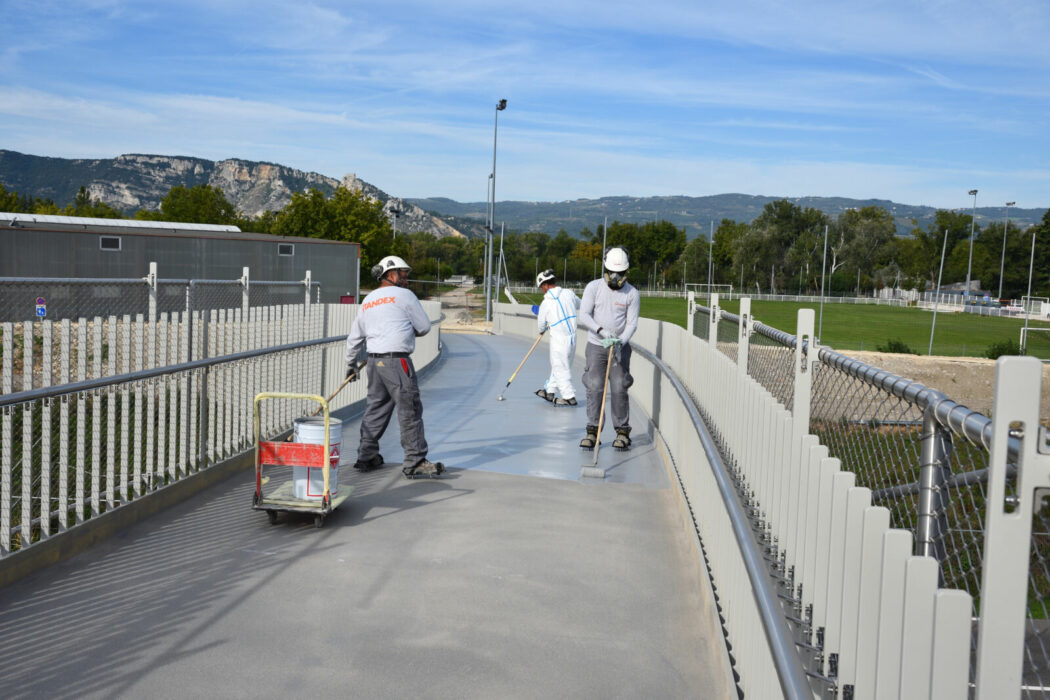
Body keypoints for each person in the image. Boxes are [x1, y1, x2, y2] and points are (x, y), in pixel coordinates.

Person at [344, 255, 444, 478]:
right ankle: (415, 460)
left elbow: (354, 338)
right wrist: (409, 330)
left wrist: (351, 364)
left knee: (375, 408)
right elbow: (425, 327)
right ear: (391, 275)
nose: (406, 279)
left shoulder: (368, 300)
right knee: (409, 409)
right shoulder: (404, 296)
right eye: (403, 274)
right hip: (397, 362)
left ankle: (366, 456)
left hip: (373, 362)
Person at [577, 246, 640, 450]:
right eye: (612, 272)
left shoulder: (632, 294)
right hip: (596, 346)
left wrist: (621, 340)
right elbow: (584, 315)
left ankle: (622, 432)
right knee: (594, 386)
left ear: (625, 273)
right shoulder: (593, 288)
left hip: (619, 348)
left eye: (619, 274)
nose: (615, 277)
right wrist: (602, 331)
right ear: (605, 269)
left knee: (620, 387)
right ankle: (593, 431)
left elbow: (632, 323)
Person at [534, 269, 580, 406]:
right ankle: (550, 390)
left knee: (560, 367)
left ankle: (569, 397)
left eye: (541, 287)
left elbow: (540, 326)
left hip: (559, 340)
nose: (542, 290)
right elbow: (580, 304)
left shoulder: (546, 303)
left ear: (546, 285)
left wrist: (545, 326)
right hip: (572, 338)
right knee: (560, 365)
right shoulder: (569, 294)